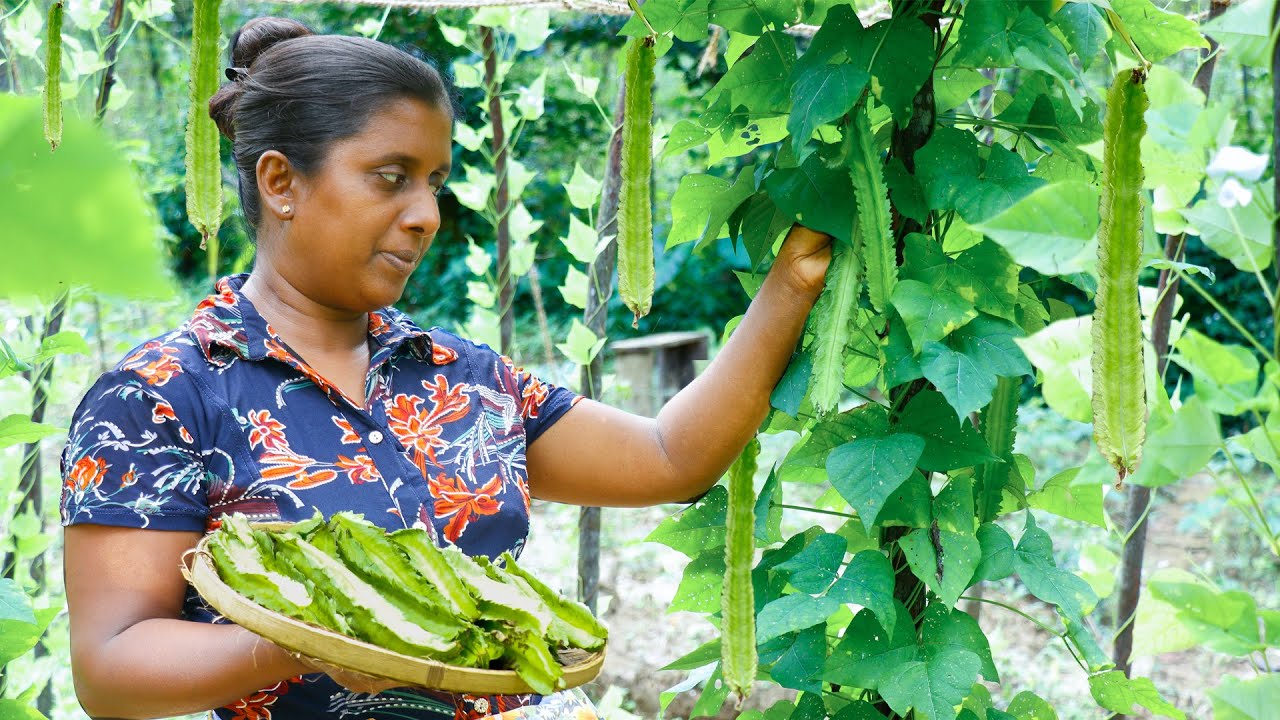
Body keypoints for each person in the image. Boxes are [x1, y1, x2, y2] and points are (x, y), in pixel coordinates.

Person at [60, 16, 833, 720]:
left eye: (434, 180)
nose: (426, 213)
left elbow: (670, 458)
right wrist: (306, 641)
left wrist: (793, 282)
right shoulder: (160, 396)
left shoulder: (459, 375)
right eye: (390, 177)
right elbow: (111, 666)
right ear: (280, 182)